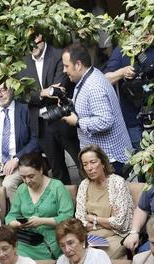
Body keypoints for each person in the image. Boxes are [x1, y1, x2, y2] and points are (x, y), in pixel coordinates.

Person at [61, 42, 134, 175]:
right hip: (101, 158)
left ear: (78, 65)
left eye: (66, 66)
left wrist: (77, 122)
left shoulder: (94, 86)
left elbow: (105, 121)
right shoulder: (87, 77)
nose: (64, 71)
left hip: (109, 159)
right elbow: (89, 106)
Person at [20, 35, 80, 186]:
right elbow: (21, 94)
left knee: (82, 164)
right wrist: (42, 93)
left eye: (35, 42)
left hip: (62, 118)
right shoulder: (22, 62)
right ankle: (67, 207)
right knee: (57, 171)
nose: (32, 47)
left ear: (42, 37)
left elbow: (60, 88)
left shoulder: (59, 55)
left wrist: (49, 92)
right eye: (28, 44)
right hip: (41, 123)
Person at [5, 152, 75, 261]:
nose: (27, 181)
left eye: (31, 176)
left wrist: (42, 221)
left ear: (41, 170)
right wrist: (16, 223)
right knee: (9, 255)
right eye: (23, 177)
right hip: (26, 239)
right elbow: (11, 215)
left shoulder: (57, 187)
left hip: (50, 239)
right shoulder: (21, 189)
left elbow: (67, 217)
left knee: (18, 260)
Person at [0, 83, 40, 197]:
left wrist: (16, 159)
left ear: (11, 90)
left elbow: (36, 140)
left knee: (8, 183)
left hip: (20, 161)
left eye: (3, 90)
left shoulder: (26, 109)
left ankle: (18, 215)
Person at [75, 144, 134, 261]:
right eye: (85, 164)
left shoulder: (117, 182)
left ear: (102, 163)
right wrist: (107, 220)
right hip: (89, 237)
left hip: (115, 236)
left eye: (93, 162)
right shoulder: (84, 185)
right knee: (75, 256)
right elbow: (80, 219)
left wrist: (93, 219)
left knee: (97, 260)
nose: (89, 168)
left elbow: (119, 223)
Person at [103, 42, 154, 152]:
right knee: (141, 157)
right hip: (132, 119)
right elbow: (104, 80)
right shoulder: (122, 51)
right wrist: (122, 72)